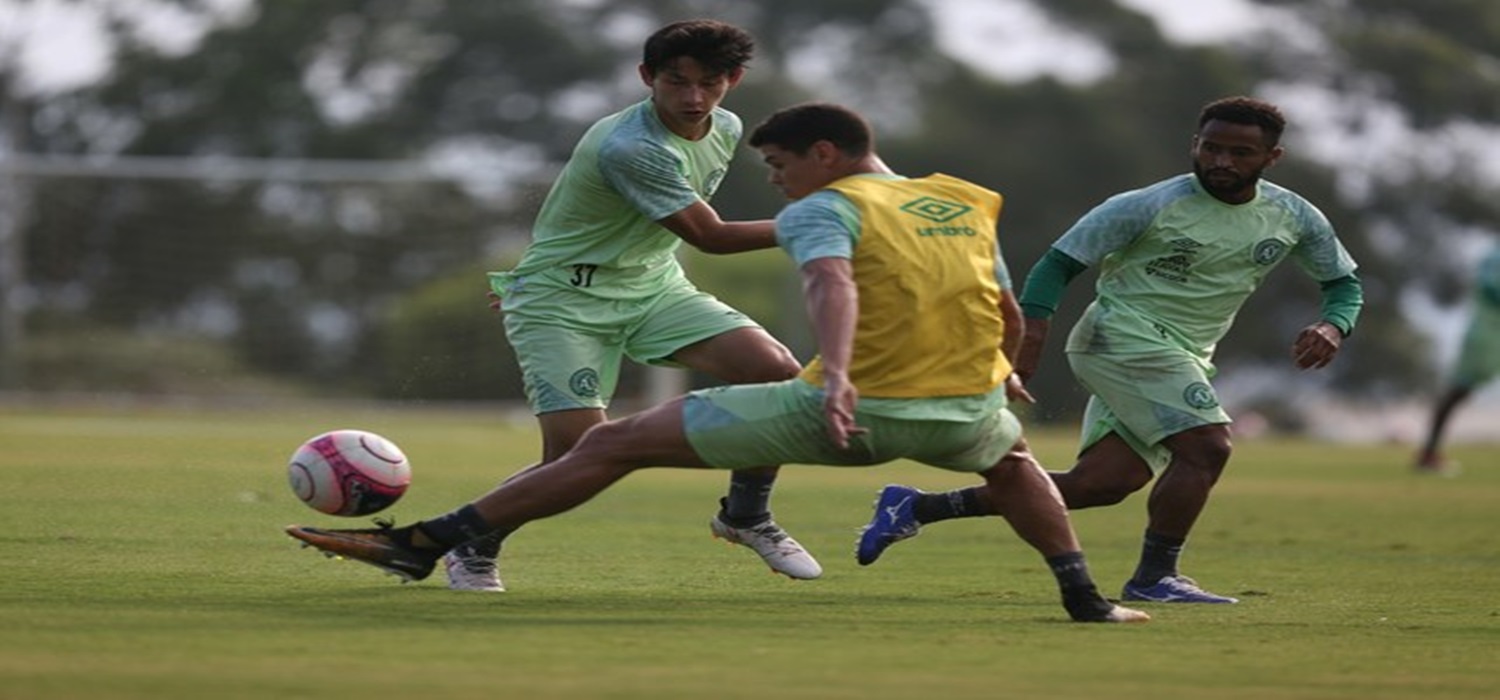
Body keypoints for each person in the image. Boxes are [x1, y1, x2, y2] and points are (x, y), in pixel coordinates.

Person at [286, 102, 1150, 624]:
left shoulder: (828, 206)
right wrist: (1004, 372)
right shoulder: (960, 200)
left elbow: (829, 291)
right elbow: (999, 302)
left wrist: (840, 373)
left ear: (822, 156)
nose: (772, 181)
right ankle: (1083, 596)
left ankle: (424, 545)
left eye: (777, 168)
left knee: (609, 445)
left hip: (838, 409)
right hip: (965, 411)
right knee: (1017, 462)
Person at [856, 96, 1364, 605]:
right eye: (1211, 148)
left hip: (1185, 352)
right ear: (1195, 145)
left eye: (1240, 152)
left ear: (1271, 158)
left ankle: (917, 508)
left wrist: (1334, 325)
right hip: (1119, 337)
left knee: (1102, 484)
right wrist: (1029, 338)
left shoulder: (1293, 215)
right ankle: (1154, 577)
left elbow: (1344, 284)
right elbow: (1057, 265)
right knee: (1208, 447)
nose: (1222, 162)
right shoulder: (1149, 204)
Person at [444, 19, 820, 592]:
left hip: (653, 287)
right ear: (647, 76)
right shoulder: (631, 146)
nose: (694, 98)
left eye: (710, 82)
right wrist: (832, 221)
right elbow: (711, 237)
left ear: (734, 80)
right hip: (562, 299)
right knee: (582, 458)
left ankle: (746, 514)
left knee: (775, 372)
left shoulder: (726, 126)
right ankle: (475, 540)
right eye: (676, 81)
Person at [1414, 240, 1500, 473]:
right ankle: (1428, 452)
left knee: (1458, 392)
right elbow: (1491, 288)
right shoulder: (1494, 256)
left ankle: (1428, 452)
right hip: (1489, 333)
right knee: (1458, 391)